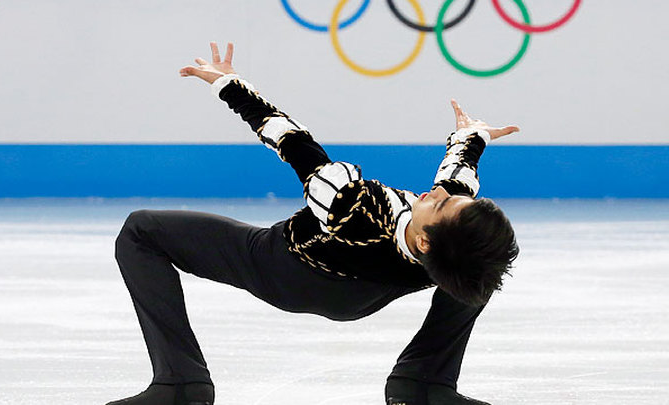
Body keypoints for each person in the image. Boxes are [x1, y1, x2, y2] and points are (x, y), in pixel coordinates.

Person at [106, 42, 520, 405]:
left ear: (426, 240)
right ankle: (423, 384)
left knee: (141, 232)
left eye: (442, 205)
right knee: (478, 263)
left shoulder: (354, 206)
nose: (437, 193)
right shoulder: (435, 239)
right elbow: (458, 182)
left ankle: (181, 383)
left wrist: (229, 85)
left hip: (281, 269)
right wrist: (472, 138)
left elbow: (294, 142)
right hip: (364, 296)